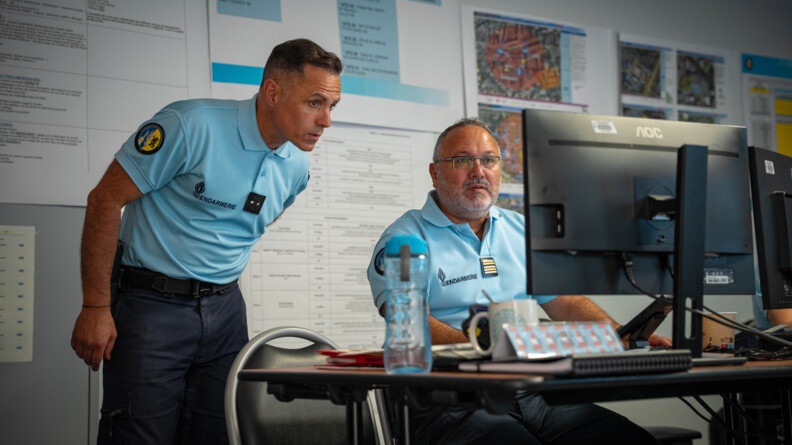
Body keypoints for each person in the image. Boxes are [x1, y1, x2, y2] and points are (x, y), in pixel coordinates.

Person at [69, 38, 342, 445]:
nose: (326, 121)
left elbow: (248, 224)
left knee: (216, 433)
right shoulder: (190, 124)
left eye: (332, 107)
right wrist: (95, 305)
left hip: (226, 311)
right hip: (151, 307)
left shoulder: (297, 165)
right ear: (272, 92)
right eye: (315, 103)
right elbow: (105, 200)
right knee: (138, 435)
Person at [367, 117, 670, 444]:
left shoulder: (520, 230)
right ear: (434, 172)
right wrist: (483, 353)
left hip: (531, 392)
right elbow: (408, 321)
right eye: (463, 160)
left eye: (489, 160)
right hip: (445, 398)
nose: (478, 171)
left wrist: (620, 334)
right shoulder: (405, 239)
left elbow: (565, 302)